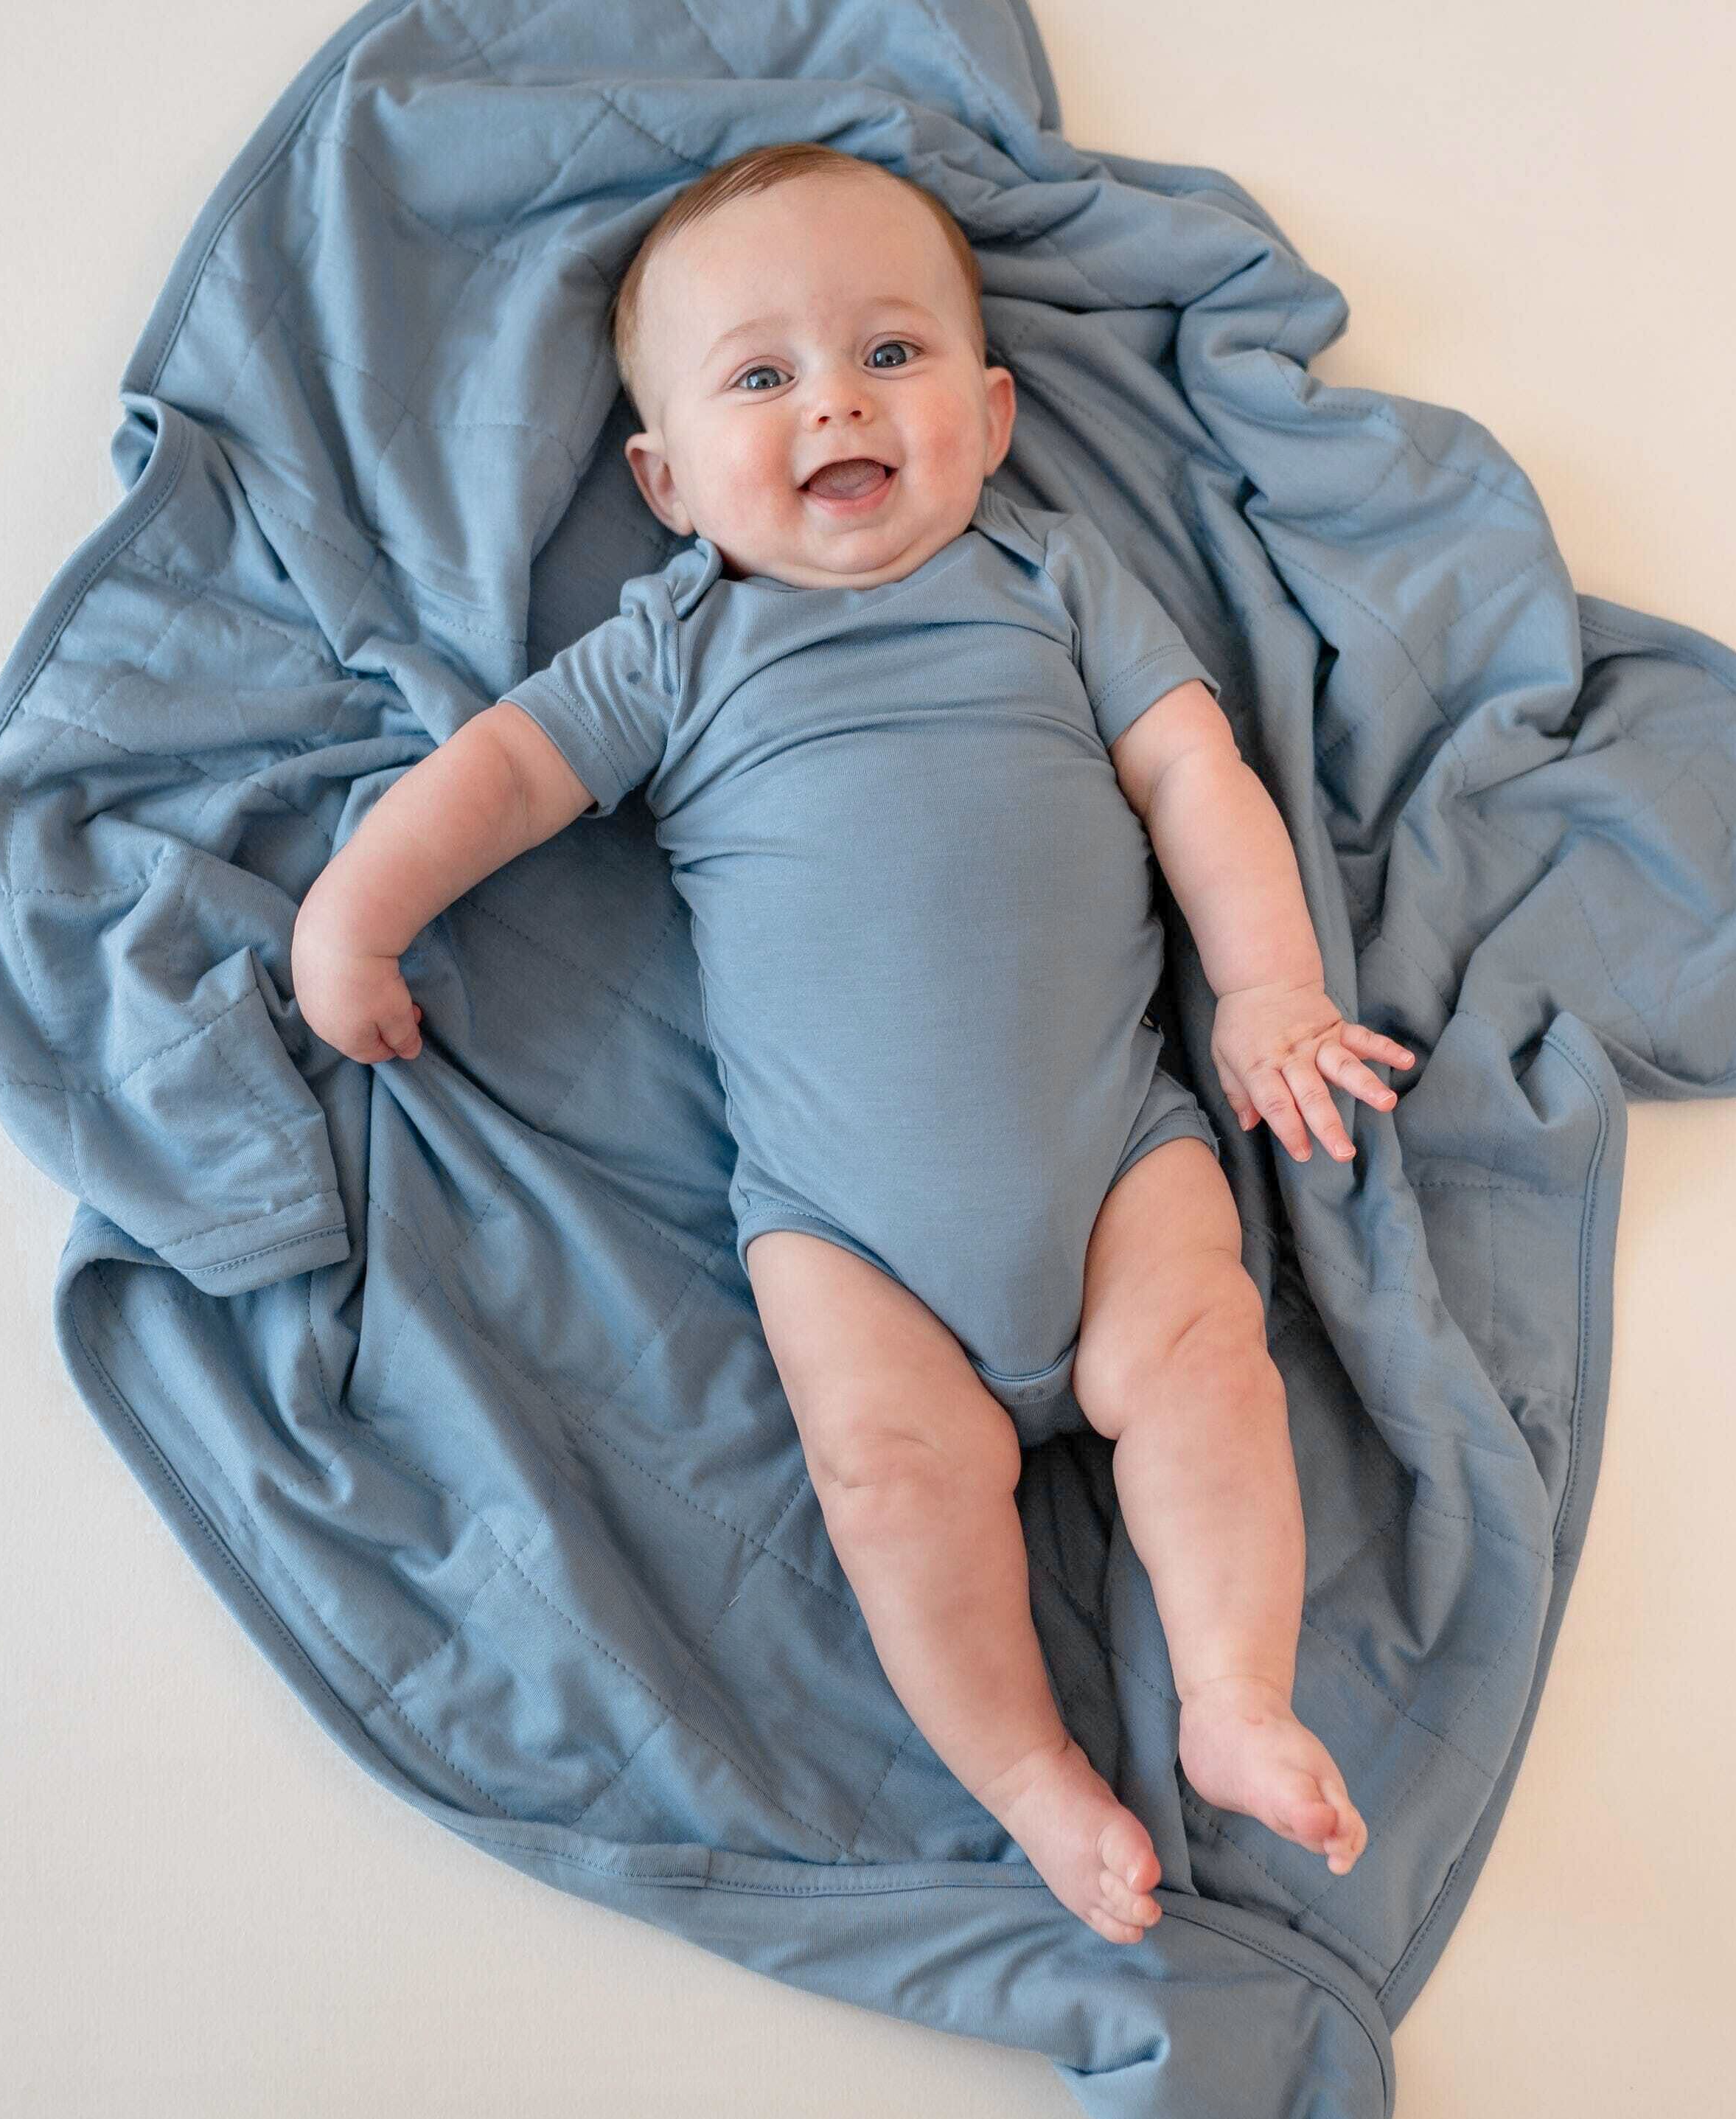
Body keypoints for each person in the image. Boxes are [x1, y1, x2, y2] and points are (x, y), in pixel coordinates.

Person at [292, 142, 1416, 1946]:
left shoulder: (1058, 580)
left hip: (1120, 1148)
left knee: (1207, 1358)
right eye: (762, 377)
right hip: (847, 1230)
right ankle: (1034, 1779)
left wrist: (1274, 987)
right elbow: (498, 775)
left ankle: (1233, 1692)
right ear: (663, 479)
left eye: (890, 354)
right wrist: (352, 914)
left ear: (989, 409)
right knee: (891, 1481)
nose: (835, 401)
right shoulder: (680, 644)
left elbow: (1196, 772)